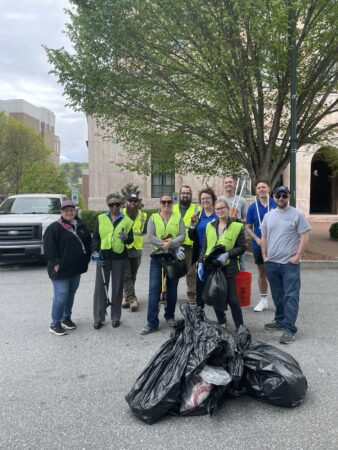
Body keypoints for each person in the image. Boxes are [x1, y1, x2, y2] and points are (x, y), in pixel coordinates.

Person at [261, 186, 311, 344]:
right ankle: (280, 320)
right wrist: (264, 256)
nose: (281, 198)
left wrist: (297, 256)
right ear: (273, 197)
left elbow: (304, 237)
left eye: (284, 195)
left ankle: (289, 329)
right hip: (272, 264)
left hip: (290, 264)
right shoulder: (268, 216)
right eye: (278, 195)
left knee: (291, 296)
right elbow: (264, 236)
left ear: (289, 196)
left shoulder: (297, 214)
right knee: (277, 295)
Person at [44, 200, 92, 336]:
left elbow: (88, 243)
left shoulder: (80, 225)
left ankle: (66, 318)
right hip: (61, 269)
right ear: (61, 212)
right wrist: (56, 264)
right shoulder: (54, 228)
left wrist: (86, 259)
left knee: (71, 293)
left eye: (71, 210)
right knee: (61, 296)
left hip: (76, 268)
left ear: (75, 211)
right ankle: (55, 324)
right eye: (66, 210)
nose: (69, 212)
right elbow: (48, 248)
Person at [141, 194, 185, 334]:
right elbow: (150, 236)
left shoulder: (178, 217)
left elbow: (182, 235)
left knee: (172, 290)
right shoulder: (153, 218)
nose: (166, 204)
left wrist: (170, 244)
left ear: (172, 203)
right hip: (157, 258)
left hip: (172, 257)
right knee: (154, 290)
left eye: (169, 202)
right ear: (160, 203)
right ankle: (152, 322)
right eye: (164, 202)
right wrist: (163, 244)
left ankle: (170, 316)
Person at [198, 198, 245, 329]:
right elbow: (205, 246)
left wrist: (227, 254)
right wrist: (201, 263)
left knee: (233, 300)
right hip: (212, 266)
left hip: (228, 267)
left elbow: (241, 247)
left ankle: (240, 328)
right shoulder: (210, 225)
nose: (219, 211)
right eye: (217, 209)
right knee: (216, 296)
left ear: (227, 209)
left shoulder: (237, 226)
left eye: (222, 208)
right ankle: (221, 321)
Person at [92, 193, 134, 329]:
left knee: (117, 288)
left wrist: (126, 238)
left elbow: (130, 240)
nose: (114, 207)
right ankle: (98, 318)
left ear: (121, 205)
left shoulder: (127, 221)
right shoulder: (100, 218)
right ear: (108, 205)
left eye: (117, 204)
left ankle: (116, 317)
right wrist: (95, 251)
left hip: (119, 258)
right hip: (103, 257)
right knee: (100, 288)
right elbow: (96, 237)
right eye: (111, 204)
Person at [246, 180, 276, 312]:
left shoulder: (276, 204)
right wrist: (257, 239)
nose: (261, 189)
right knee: (262, 272)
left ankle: (279, 300)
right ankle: (263, 300)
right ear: (256, 191)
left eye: (264, 187)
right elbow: (248, 227)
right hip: (259, 245)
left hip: (276, 245)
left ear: (269, 188)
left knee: (275, 273)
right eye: (259, 188)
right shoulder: (252, 207)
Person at [188, 187, 218, 308]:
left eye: (207, 198)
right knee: (200, 286)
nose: (205, 201)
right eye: (203, 199)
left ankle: (221, 317)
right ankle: (200, 316)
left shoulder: (218, 214)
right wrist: (191, 227)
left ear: (213, 199)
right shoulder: (197, 216)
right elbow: (191, 237)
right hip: (201, 256)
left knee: (216, 287)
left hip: (216, 256)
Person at [173, 185, 201, 304]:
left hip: (190, 246)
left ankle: (192, 295)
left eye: (187, 193)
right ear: (179, 195)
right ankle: (168, 293)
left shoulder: (197, 209)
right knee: (172, 271)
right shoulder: (173, 208)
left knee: (191, 272)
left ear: (191, 195)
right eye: (183, 193)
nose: (185, 195)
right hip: (175, 246)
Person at [122, 193, 147, 311]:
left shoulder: (143, 215)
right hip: (123, 248)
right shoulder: (121, 213)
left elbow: (144, 231)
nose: (132, 204)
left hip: (137, 248)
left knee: (133, 274)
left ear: (138, 203)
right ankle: (132, 299)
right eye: (130, 201)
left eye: (135, 201)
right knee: (126, 274)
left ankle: (126, 296)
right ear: (126, 203)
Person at [218, 175, 247, 269]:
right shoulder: (219, 200)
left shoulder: (242, 200)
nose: (228, 184)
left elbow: (247, 220)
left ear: (234, 184)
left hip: (238, 235)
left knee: (240, 265)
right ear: (223, 184)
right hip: (223, 235)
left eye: (230, 182)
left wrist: (236, 220)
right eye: (226, 182)